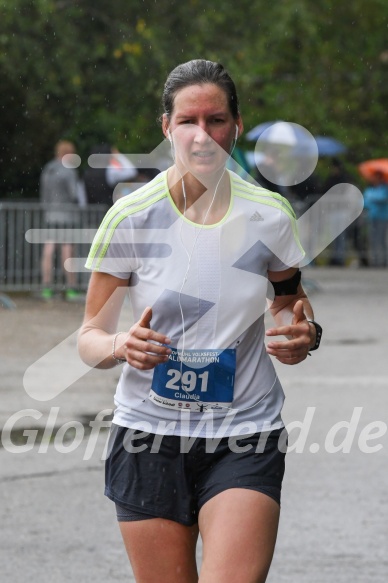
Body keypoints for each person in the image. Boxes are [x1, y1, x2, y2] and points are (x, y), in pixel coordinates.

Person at [78, 59, 322, 583]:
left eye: (216, 120)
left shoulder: (269, 215)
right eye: (188, 121)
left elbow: (289, 306)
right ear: (166, 126)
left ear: (236, 125)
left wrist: (304, 336)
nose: (202, 135)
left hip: (245, 432)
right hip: (148, 435)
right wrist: (122, 344)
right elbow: (88, 340)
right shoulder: (130, 217)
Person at [39, 139, 81, 301]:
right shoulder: (68, 170)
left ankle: (46, 286)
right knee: (67, 250)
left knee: (48, 249)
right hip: (66, 214)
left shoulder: (48, 169)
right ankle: (71, 287)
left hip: (50, 214)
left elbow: (44, 194)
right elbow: (74, 194)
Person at [363, 170, 388, 267]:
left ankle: (384, 261)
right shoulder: (370, 189)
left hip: (382, 217)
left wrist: (372, 199)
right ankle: (375, 261)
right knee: (373, 240)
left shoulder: (384, 188)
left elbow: (382, 199)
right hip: (372, 217)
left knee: (381, 240)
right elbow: (365, 201)